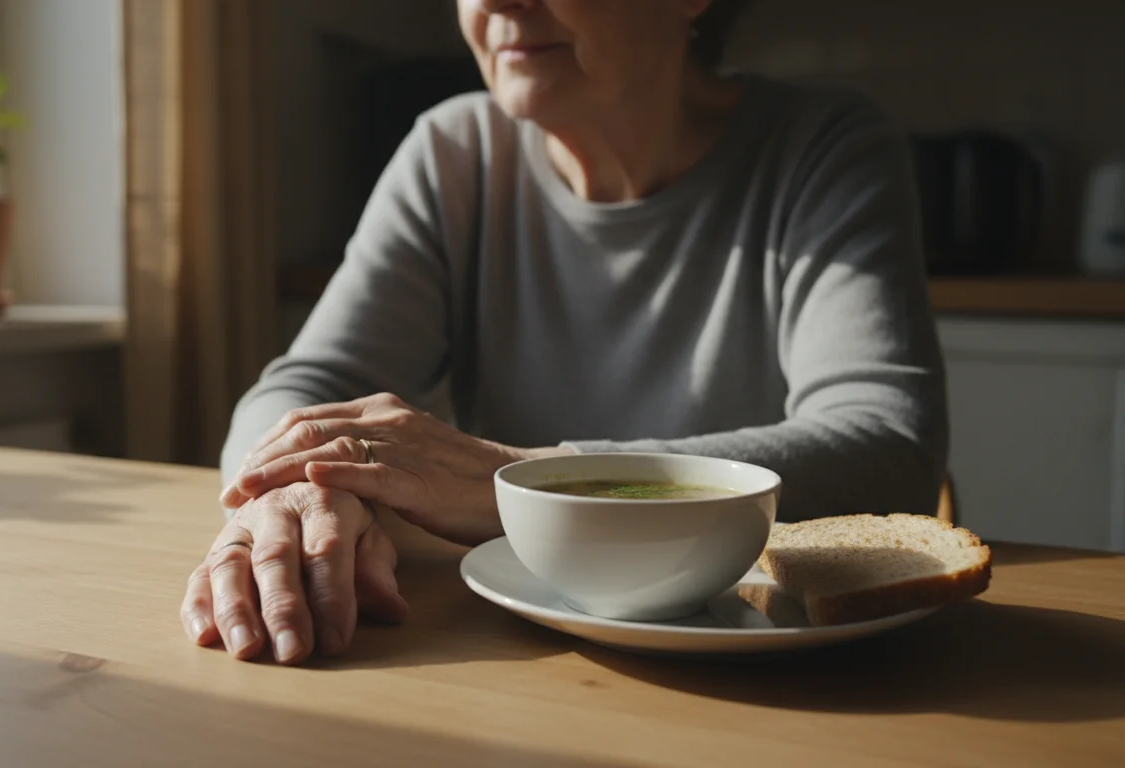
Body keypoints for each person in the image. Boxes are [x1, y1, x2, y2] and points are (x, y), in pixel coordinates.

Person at [180, 0, 948, 666]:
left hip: (754, 655)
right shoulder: (454, 151)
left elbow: (887, 445)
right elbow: (304, 386)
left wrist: (520, 478)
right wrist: (312, 491)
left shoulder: (825, 146)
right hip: (512, 651)